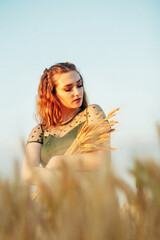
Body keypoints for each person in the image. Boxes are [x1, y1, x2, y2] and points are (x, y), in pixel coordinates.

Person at [22, 62, 110, 186]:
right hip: (55, 202)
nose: (77, 92)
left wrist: (58, 162)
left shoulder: (91, 113)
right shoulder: (40, 131)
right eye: (68, 89)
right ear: (52, 94)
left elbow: (103, 159)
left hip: (90, 199)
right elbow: (27, 173)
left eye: (79, 85)